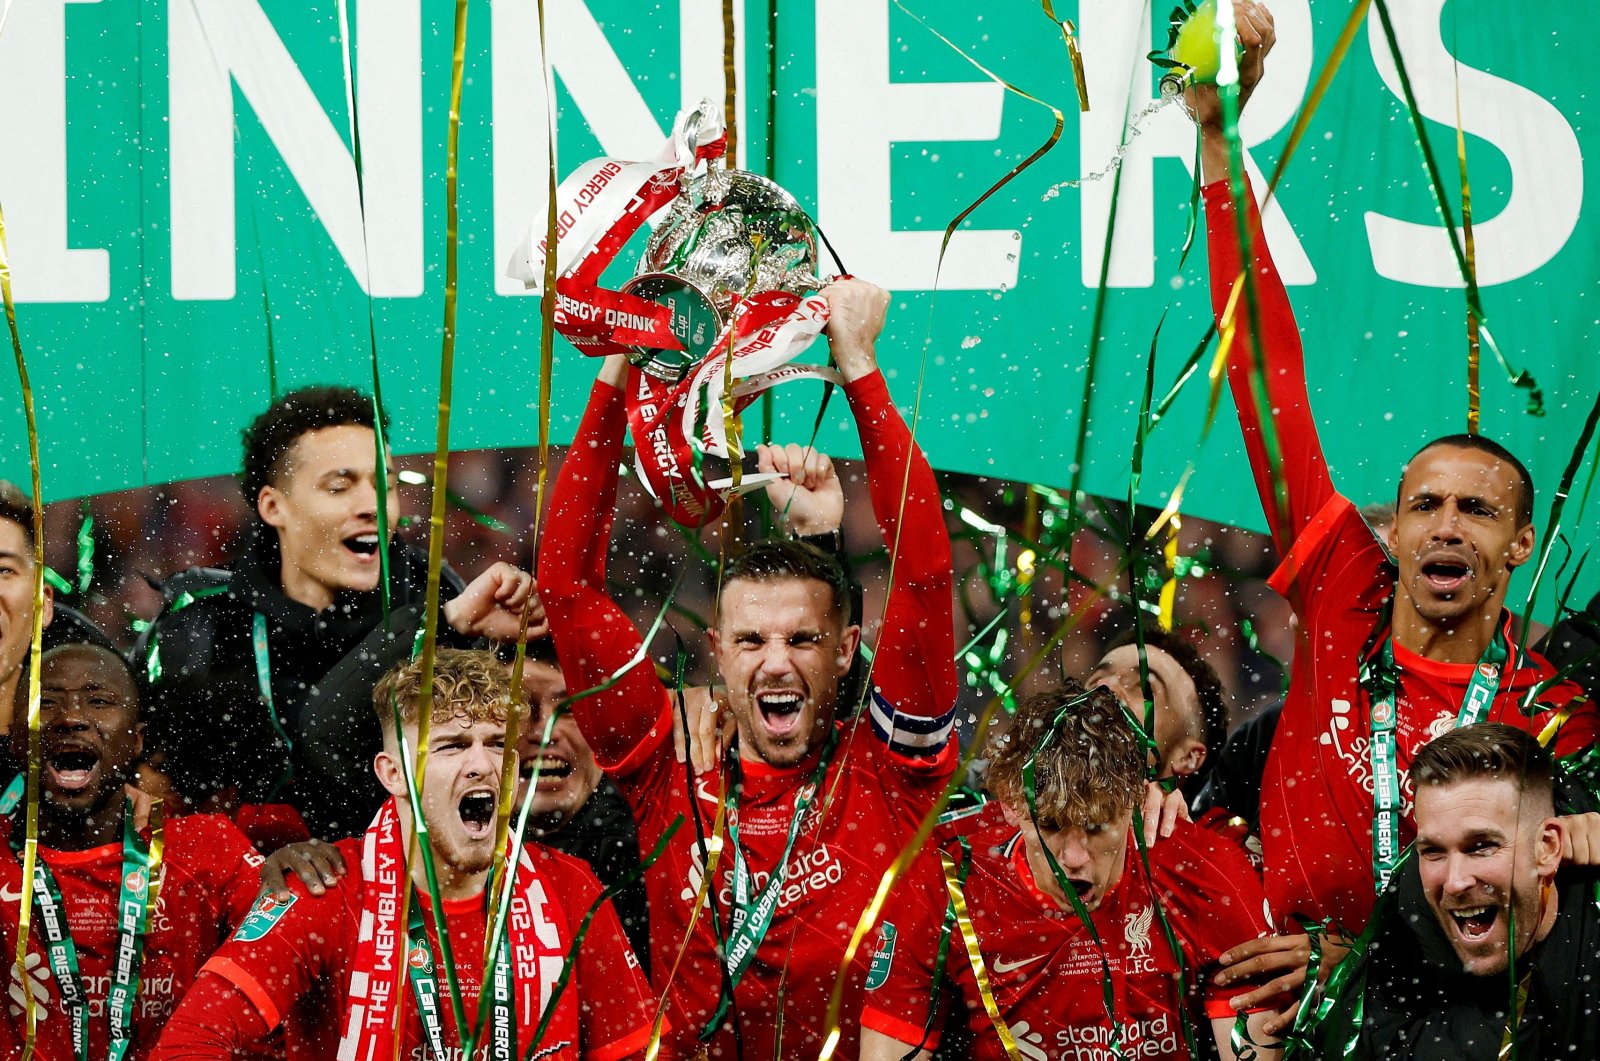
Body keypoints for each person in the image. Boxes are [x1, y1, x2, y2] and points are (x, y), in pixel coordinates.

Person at [1193, 3, 1598, 949]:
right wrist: (1219, 144)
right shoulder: (1340, 589)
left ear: (1520, 545)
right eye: (1426, 505)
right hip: (1283, 1027)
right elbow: (1261, 373)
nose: (1447, 525)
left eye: (1477, 509)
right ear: (1398, 530)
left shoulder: (1551, 712)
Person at [535, 277, 962, 1060]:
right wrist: (620, 370)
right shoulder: (671, 760)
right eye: (752, 641)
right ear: (717, 651)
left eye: (801, 640)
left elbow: (924, 574)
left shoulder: (892, 769)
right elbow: (565, 588)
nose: (775, 663)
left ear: (842, 649)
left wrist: (859, 365)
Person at [150, 647, 656, 1061]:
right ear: (392, 774)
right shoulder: (324, 890)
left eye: (498, 744)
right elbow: (188, 1044)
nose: (483, 765)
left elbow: (637, 1054)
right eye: (452, 746)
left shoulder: (570, 890)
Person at [133, 386, 539, 847]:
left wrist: (502, 646)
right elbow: (156, 796)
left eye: (385, 484)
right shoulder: (202, 620)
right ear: (273, 506)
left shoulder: (442, 602)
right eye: (340, 487)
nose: (373, 505)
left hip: (408, 893)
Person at [858, 682, 1279, 1061]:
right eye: (1053, 826)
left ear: (1135, 799)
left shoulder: (1206, 869)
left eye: (1097, 826)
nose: (1074, 858)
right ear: (1010, 805)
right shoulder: (946, 879)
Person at [0, 644, 266, 1060]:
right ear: (17, 739)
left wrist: (298, 871)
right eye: (47, 702)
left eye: (99, 701)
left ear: (137, 738)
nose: (71, 718)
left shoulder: (209, 849)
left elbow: (288, 974)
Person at [1318, 723, 1600, 1058]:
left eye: (1481, 846)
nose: (1454, 881)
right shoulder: (1410, 910)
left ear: (1548, 847)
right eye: (1433, 851)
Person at [517, 636, 651, 972]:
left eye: (571, 709)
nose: (545, 733)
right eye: (518, 709)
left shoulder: (653, 850)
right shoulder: (435, 848)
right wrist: (450, 620)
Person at [1088, 625, 1230, 801]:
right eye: (1096, 679)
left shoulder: (1222, 827)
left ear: (1188, 757)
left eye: (1143, 687)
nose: (1105, 686)